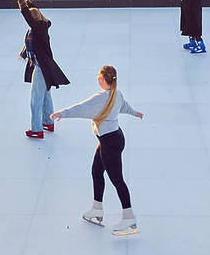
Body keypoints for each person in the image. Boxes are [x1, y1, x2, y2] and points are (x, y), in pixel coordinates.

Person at [50, 65, 143, 236]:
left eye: (98, 77)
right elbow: (124, 107)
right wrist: (135, 113)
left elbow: (82, 108)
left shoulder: (100, 98)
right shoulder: (117, 93)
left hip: (109, 142)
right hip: (113, 138)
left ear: (102, 80)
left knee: (117, 180)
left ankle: (129, 217)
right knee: (96, 171)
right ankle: (97, 208)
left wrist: (62, 113)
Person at [17, 0, 70, 139]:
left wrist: (21, 2)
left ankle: (36, 129)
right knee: (46, 96)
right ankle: (48, 122)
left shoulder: (38, 29)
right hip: (43, 67)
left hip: (41, 68)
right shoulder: (41, 26)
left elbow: (29, 17)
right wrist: (27, 1)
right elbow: (34, 12)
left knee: (35, 100)